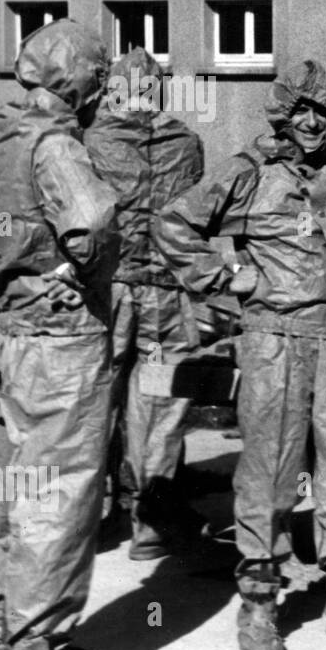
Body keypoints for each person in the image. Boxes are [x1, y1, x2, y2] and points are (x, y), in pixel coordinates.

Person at [155, 60, 326, 650]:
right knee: (268, 474)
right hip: (273, 342)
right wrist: (227, 278)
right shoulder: (247, 172)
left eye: (322, 112)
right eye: (300, 113)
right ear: (282, 115)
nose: (312, 124)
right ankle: (260, 604)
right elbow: (173, 224)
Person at [0, 19, 120, 650]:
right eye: (98, 79)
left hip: (8, 338)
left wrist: (19, 270)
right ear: (79, 82)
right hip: (61, 346)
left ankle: (5, 647)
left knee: (17, 495)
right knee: (58, 499)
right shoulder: (57, 145)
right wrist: (82, 270)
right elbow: (93, 223)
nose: (102, 91)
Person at [85, 47, 206, 560]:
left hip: (107, 289)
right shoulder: (186, 141)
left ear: (114, 88)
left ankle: (92, 519)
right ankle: (151, 520)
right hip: (166, 287)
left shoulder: (91, 140)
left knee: (95, 400)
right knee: (159, 404)